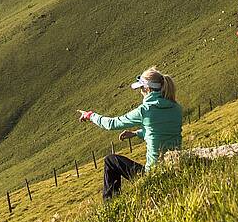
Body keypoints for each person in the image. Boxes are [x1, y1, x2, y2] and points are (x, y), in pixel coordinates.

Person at [76, 67, 182, 200]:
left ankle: (110, 206)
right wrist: (137, 133)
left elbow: (112, 124)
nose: (141, 92)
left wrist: (90, 115)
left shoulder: (145, 110)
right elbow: (161, 131)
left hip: (153, 174)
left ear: (147, 89)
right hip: (174, 169)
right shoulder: (176, 108)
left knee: (111, 160)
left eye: (141, 89)